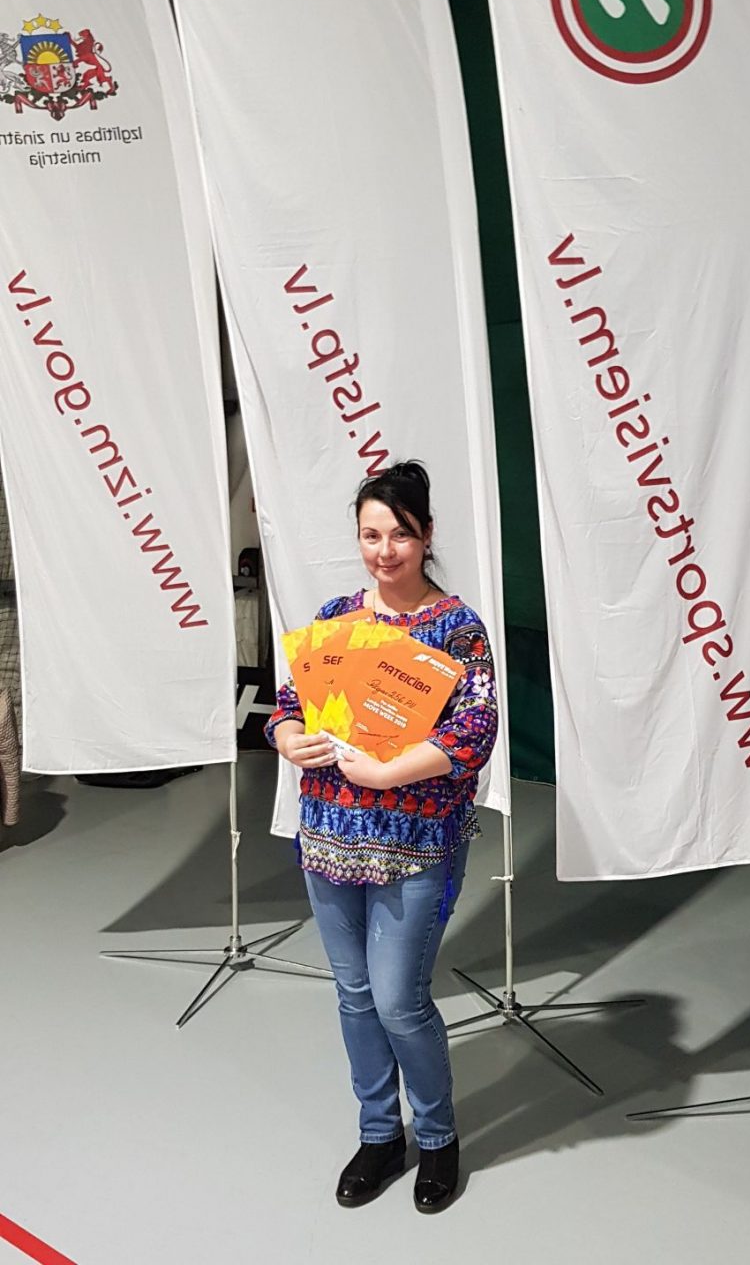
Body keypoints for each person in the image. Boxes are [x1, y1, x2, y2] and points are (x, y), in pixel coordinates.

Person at [265, 460, 498, 1213]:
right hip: (329, 836)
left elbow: (475, 731)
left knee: (399, 1001)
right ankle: (378, 1135)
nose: (384, 550)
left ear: (426, 535)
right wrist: (289, 738)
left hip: (414, 843)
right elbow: (288, 704)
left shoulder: (457, 628)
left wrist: (390, 772)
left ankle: (437, 1137)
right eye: (371, 535)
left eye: (399, 534)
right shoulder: (337, 617)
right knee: (355, 996)